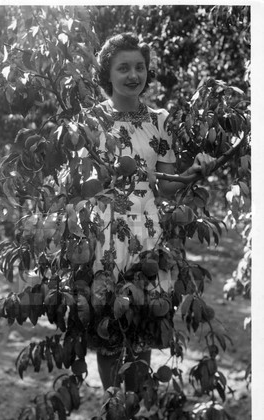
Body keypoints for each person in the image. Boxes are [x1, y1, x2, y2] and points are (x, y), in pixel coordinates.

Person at [89, 33, 214, 395]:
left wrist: (192, 175)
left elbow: (166, 186)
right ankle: (117, 417)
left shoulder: (159, 121)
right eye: (123, 67)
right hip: (106, 235)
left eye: (139, 67)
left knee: (142, 327)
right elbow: (83, 186)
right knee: (110, 331)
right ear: (107, 74)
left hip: (147, 234)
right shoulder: (92, 121)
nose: (133, 75)